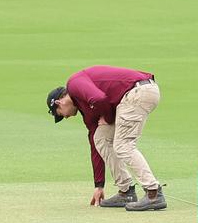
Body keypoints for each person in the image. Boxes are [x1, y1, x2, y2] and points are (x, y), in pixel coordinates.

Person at [46, 65, 166, 211]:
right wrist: (99, 185)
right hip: (134, 95)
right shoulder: (86, 110)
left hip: (138, 92)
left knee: (123, 145)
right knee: (100, 138)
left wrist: (108, 118)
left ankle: (153, 192)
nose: (65, 117)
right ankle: (126, 191)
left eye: (60, 114)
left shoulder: (74, 84)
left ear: (59, 102)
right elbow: (94, 143)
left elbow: (99, 98)